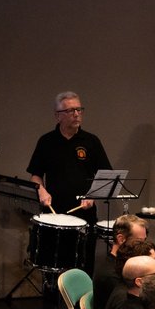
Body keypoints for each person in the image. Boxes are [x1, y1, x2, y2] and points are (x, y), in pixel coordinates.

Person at [27, 91, 112, 275]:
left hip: (84, 215)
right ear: (58, 115)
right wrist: (41, 189)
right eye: (71, 110)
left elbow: (105, 175)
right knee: (53, 268)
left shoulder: (91, 141)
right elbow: (35, 175)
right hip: (54, 215)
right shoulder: (46, 141)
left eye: (79, 109)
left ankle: (81, 303)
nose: (76, 114)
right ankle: (53, 302)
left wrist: (93, 195)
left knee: (83, 268)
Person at [92, 214, 148, 309]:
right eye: (139, 242)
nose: (143, 247)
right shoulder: (110, 274)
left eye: (144, 241)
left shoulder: (125, 264)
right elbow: (133, 306)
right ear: (121, 239)